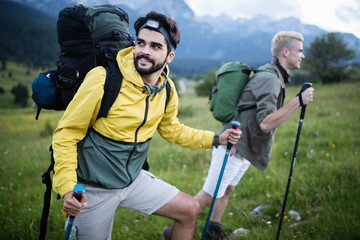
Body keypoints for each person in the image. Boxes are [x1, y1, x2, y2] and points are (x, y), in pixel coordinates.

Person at [52, 11, 241, 240]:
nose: (144, 51)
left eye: (155, 46)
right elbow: (66, 134)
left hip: (132, 179)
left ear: (169, 56)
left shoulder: (167, 89)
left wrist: (216, 139)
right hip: (93, 189)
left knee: (189, 209)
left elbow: (172, 130)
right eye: (140, 43)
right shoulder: (103, 79)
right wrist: (67, 188)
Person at [194, 31, 315, 239]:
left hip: (244, 147)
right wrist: (298, 101)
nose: (302, 56)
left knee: (227, 190)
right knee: (207, 196)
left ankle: (212, 231)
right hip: (232, 145)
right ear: (285, 52)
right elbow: (266, 123)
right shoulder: (270, 79)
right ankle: (175, 232)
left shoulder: (275, 76)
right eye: (300, 51)